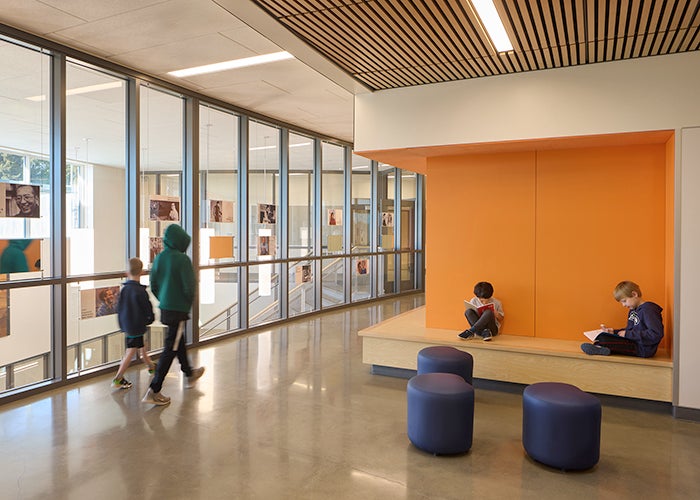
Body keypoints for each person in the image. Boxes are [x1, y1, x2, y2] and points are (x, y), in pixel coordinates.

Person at [142, 224, 204, 405]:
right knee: (171, 348)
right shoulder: (183, 260)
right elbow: (189, 287)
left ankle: (189, 373)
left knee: (178, 341)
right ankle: (154, 390)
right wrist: (185, 302)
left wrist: (163, 298)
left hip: (166, 308)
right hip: (178, 309)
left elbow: (153, 284)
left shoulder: (160, 258)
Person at [581, 281, 664, 357]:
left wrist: (627, 334)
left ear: (634, 294)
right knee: (603, 336)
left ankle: (601, 347)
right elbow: (630, 330)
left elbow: (656, 334)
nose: (623, 305)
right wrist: (614, 332)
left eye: (624, 301)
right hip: (633, 342)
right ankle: (601, 347)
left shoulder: (649, 310)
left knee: (604, 340)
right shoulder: (633, 311)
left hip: (643, 348)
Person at [112, 258, 156, 389]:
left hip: (128, 326)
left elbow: (119, 309)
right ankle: (118, 378)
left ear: (127, 272)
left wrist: (122, 324)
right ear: (142, 272)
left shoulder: (124, 290)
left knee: (142, 348)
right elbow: (148, 309)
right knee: (131, 352)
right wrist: (150, 319)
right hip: (136, 327)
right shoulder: (141, 291)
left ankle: (151, 367)